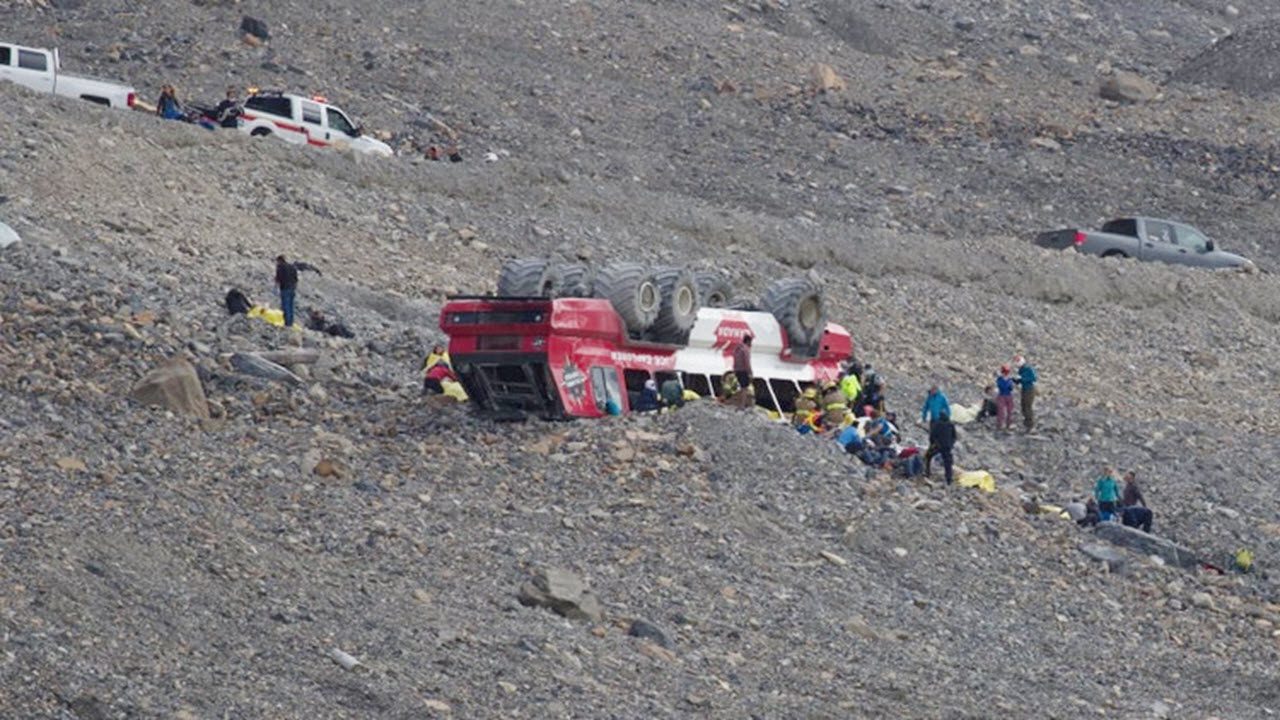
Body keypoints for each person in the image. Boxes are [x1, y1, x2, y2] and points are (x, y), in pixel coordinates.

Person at [274, 255, 322, 328]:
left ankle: (287, 324)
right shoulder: (292, 267)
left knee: (285, 306)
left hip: (285, 288)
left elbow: (278, 278)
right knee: (291, 306)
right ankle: (290, 322)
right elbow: (296, 279)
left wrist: (276, 287)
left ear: (279, 260)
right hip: (292, 288)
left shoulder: (280, 267)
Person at [925, 411, 957, 484]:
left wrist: (932, 444)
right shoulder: (950, 425)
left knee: (928, 456)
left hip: (938, 446)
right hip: (947, 447)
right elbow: (954, 436)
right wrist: (951, 444)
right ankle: (949, 479)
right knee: (948, 463)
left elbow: (932, 436)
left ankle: (927, 472)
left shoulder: (937, 424)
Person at [1012, 355, 1039, 431]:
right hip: (1024, 389)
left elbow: (1033, 378)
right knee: (1023, 405)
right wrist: (1015, 380)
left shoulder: (1028, 369)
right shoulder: (1021, 369)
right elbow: (1020, 380)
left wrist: (1022, 379)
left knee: (1027, 406)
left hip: (1029, 389)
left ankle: (1030, 425)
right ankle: (1026, 423)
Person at [994, 365, 1016, 431]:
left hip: (1009, 395)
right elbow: (1002, 387)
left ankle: (1008, 424)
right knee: (1001, 411)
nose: (1006, 374)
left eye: (1007, 372)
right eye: (1005, 372)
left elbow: (1011, 388)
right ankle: (1000, 425)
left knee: (1010, 410)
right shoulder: (1000, 379)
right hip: (1002, 395)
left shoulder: (1009, 379)